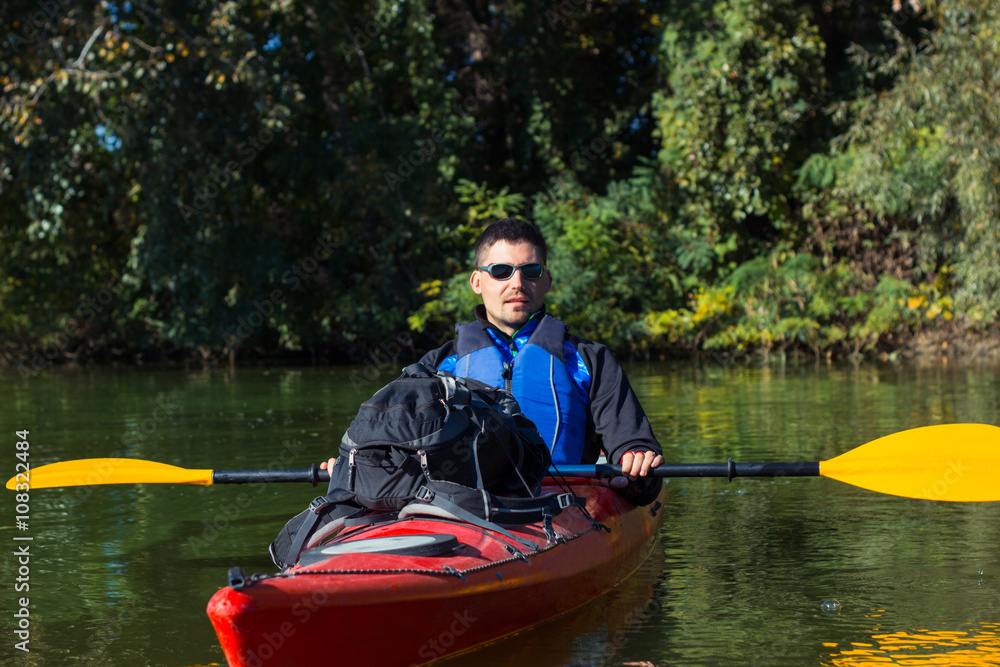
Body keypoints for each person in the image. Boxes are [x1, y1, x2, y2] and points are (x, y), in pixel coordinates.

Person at [323, 218, 663, 503]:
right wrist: (359, 464)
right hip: (460, 508)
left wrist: (636, 463)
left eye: (530, 271)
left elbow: (634, 446)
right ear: (477, 281)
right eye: (501, 271)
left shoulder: (591, 359)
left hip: (561, 502)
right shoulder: (435, 367)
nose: (517, 283)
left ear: (546, 280)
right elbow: (393, 444)